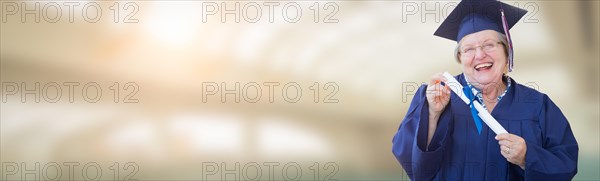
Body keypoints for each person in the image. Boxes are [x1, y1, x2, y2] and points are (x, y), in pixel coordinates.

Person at [391, 0, 579, 180]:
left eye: (489, 45)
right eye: (468, 49)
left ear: (507, 53)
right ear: (460, 58)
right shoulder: (434, 95)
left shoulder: (538, 105)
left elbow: (566, 164)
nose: (480, 55)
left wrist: (528, 157)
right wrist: (433, 114)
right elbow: (416, 169)